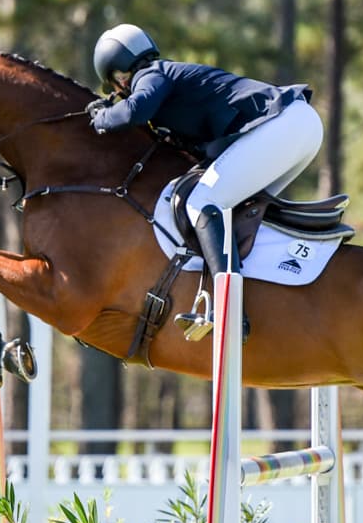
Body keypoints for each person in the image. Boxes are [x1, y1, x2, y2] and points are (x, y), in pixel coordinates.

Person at [88, 23, 322, 338]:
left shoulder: (152, 74)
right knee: (237, 211)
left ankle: (230, 310)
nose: (119, 89)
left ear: (122, 71)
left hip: (287, 124)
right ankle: (255, 298)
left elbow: (135, 110)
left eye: (116, 81)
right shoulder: (169, 87)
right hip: (300, 127)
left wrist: (101, 117)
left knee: (203, 201)